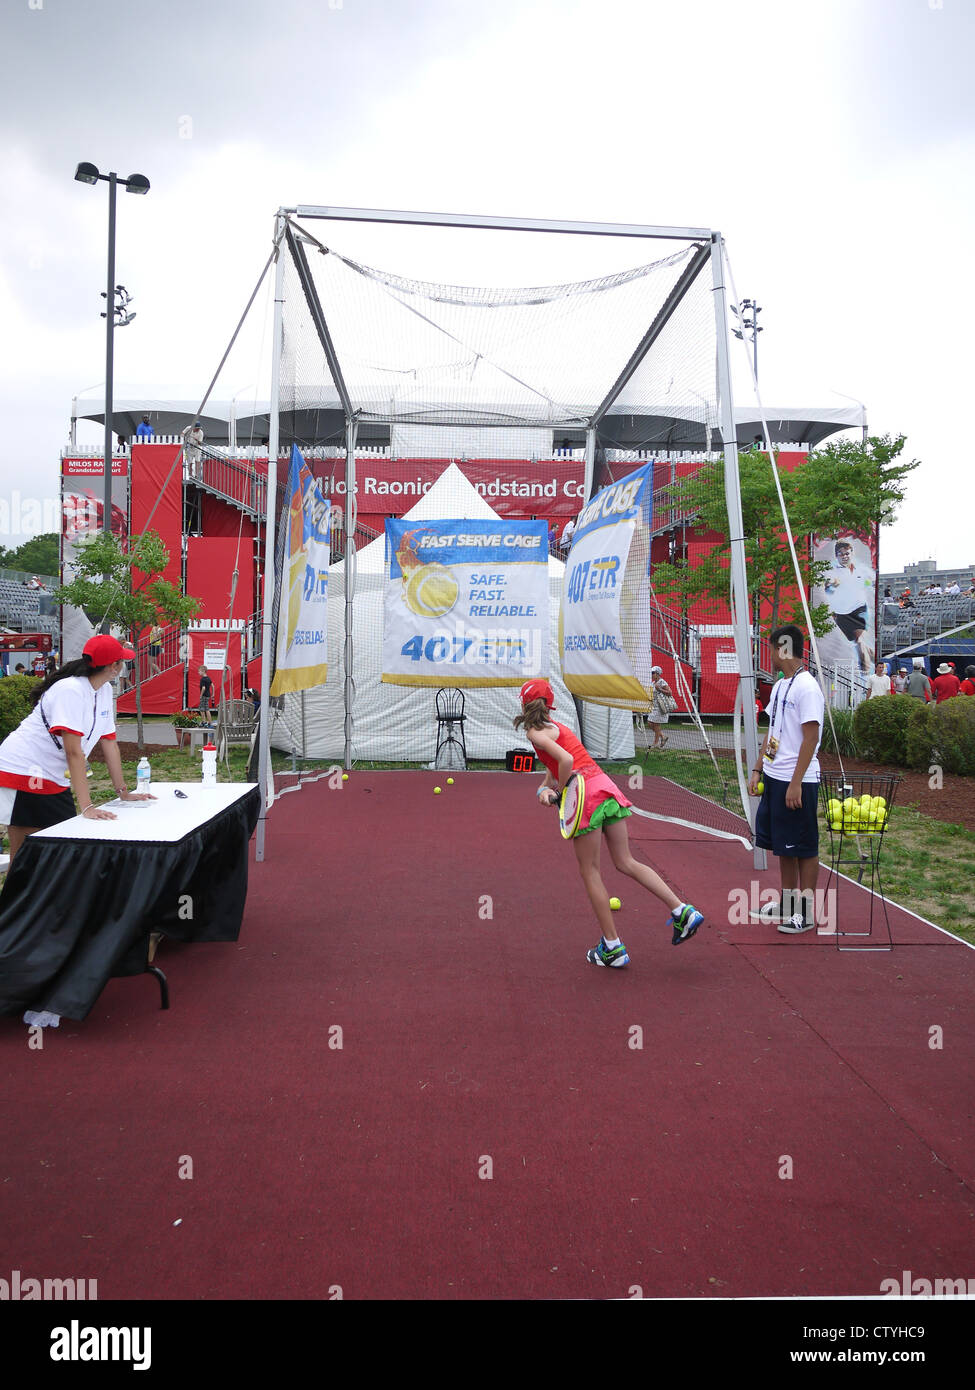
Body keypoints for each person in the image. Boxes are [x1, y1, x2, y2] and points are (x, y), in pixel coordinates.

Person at [515, 678, 703, 967]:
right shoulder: (557, 728)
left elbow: (565, 763)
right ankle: (682, 910)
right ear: (549, 703)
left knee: (590, 872)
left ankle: (612, 948)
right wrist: (545, 789)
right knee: (626, 861)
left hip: (586, 795)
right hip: (605, 787)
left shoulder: (534, 733)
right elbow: (558, 765)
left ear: (523, 704)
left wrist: (562, 795)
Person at [748, 625, 825, 934]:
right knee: (783, 845)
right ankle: (788, 904)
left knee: (803, 846)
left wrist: (796, 782)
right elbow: (774, 731)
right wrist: (757, 768)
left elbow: (811, 738)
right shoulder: (781, 685)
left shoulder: (808, 687)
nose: (768, 655)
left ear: (782, 650)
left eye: (770, 648)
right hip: (775, 776)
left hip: (799, 780)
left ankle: (805, 914)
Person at [823, 539, 872, 671]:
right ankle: (872, 658)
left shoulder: (860, 569)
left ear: (851, 553)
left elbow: (869, 582)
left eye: (847, 554)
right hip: (841, 612)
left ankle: (866, 673)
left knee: (859, 641)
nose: (844, 557)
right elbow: (827, 587)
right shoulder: (831, 570)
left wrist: (866, 583)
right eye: (841, 554)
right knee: (857, 642)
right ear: (836, 555)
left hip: (859, 609)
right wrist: (831, 584)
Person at [646, 665, 673, 749]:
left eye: (653, 673)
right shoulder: (653, 683)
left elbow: (670, 693)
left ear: (657, 673)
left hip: (661, 707)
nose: (651, 674)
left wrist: (660, 689)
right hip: (654, 706)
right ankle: (663, 737)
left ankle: (655, 743)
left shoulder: (662, 682)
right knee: (650, 723)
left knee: (656, 724)